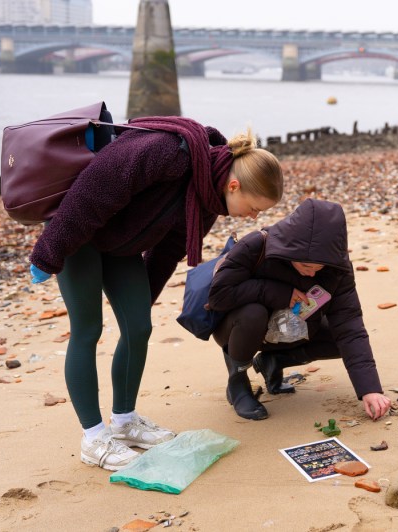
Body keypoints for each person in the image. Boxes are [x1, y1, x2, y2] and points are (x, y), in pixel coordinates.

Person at [27, 116, 284, 470]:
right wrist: (49, 251)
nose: (254, 216)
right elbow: (96, 186)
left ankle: (125, 421)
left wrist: (138, 299)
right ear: (235, 185)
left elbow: (170, 248)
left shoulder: (209, 200)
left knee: (138, 328)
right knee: (88, 329)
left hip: (120, 247)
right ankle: (94, 437)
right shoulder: (168, 152)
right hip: (77, 231)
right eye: (255, 208)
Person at [207, 199, 392, 422]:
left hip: (296, 330)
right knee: (253, 313)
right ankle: (237, 383)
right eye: (306, 266)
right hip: (239, 329)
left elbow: (349, 324)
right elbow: (218, 296)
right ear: (290, 248)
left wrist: (369, 389)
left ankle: (273, 361)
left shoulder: (337, 267)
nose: (312, 274)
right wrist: (279, 293)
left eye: (319, 268)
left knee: (340, 337)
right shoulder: (256, 246)